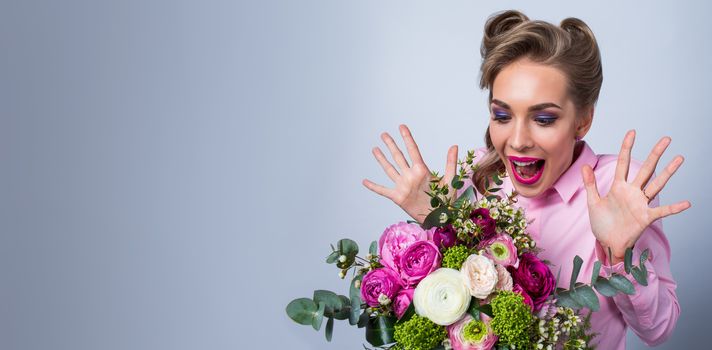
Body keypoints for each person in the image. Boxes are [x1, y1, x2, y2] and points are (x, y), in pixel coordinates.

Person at [361, 10, 691, 349]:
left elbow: (658, 331)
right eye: (502, 115)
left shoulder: (620, 189)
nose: (517, 140)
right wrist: (439, 223)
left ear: (583, 120)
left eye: (544, 119)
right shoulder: (476, 181)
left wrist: (620, 256)